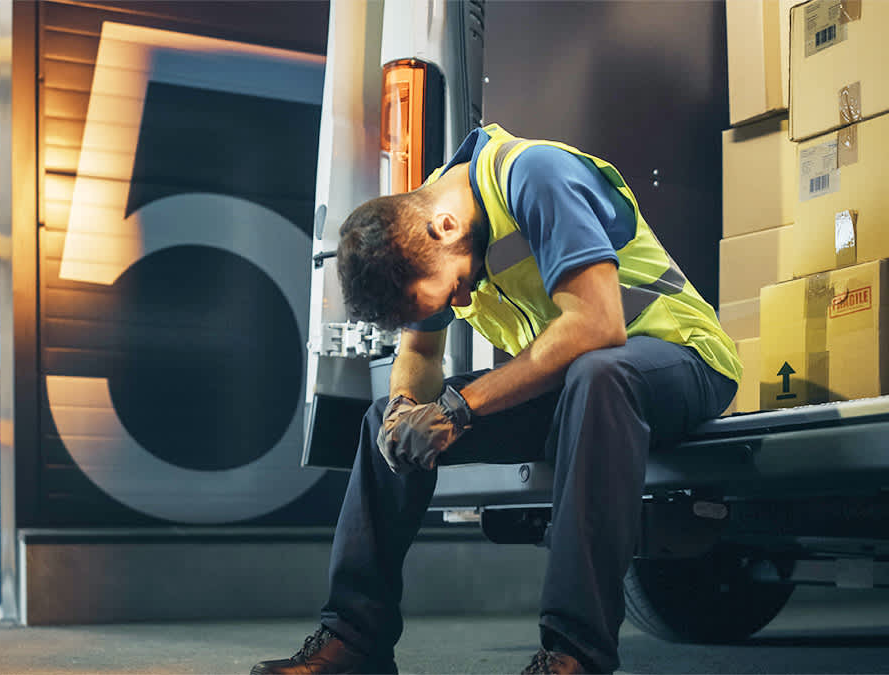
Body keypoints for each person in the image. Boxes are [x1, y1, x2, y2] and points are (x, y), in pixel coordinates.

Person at [251, 123, 740, 675]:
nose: (463, 296)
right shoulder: (426, 221)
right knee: (380, 421)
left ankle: (574, 653)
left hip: (679, 362)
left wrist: (458, 411)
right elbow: (422, 354)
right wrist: (404, 410)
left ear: (445, 227)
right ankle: (354, 639)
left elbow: (598, 325)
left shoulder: (535, 176)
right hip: (575, 387)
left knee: (600, 374)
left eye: (453, 285)